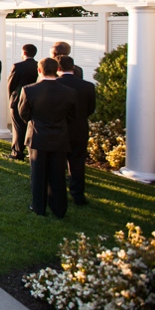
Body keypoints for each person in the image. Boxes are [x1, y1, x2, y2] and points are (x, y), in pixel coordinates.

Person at [19, 58, 76, 218]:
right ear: (57, 70)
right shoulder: (69, 92)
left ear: (39, 70)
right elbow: (72, 116)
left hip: (38, 136)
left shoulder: (29, 90)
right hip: (59, 136)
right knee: (58, 174)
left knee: (38, 174)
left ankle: (38, 206)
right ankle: (59, 209)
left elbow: (23, 114)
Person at [56, 56, 96, 206]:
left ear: (58, 68)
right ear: (73, 67)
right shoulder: (88, 86)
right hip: (80, 129)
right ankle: (78, 196)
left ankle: (58, 194)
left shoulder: (55, 85)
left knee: (58, 164)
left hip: (60, 130)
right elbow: (90, 109)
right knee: (78, 164)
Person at [7, 44, 39, 161]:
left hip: (19, 98)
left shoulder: (17, 66)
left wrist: (11, 96)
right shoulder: (38, 66)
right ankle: (29, 149)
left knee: (18, 126)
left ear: (24, 53)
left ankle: (17, 151)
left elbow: (11, 84)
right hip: (34, 99)